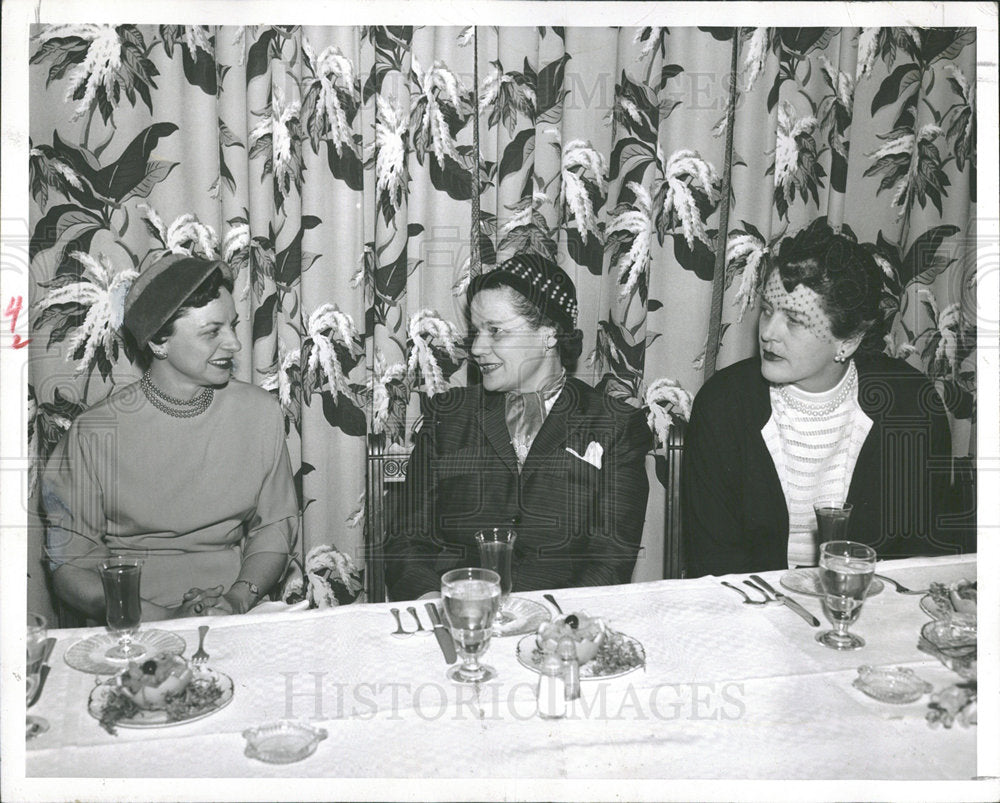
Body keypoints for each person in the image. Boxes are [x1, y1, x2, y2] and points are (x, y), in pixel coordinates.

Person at [682, 220, 969, 577]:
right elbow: (714, 567)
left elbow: (925, 558)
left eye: (795, 320)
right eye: (768, 310)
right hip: (752, 612)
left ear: (847, 341)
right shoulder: (723, 405)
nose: (769, 333)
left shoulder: (911, 404)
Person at [42, 253, 298, 620]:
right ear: (159, 343)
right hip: (132, 619)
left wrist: (238, 600)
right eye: (212, 332)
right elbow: (70, 569)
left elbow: (276, 526)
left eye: (232, 326)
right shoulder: (94, 434)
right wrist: (162, 617)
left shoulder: (260, 413)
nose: (234, 345)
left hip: (234, 610)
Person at [385, 254, 652, 600]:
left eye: (496, 331)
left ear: (548, 335)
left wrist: (548, 622)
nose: (478, 348)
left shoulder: (615, 427)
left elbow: (608, 563)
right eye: (477, 332)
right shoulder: (448, 416)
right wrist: (431, 599)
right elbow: (406, 539)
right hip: (458, 618)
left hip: (558, 628)